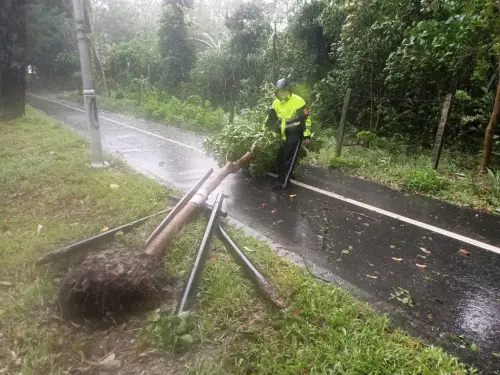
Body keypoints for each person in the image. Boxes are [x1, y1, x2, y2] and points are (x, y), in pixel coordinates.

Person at [264, 78, 311, 189]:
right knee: (280, 157)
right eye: (280, 91)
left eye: (284, 90)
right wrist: (264, 132)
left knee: (289, 158)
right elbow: (270, 119)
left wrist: (307, 135)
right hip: (282, 134)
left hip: (295, 134)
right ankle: (284, 175)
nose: (282, 93)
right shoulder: (276, 103)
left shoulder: (298, 101)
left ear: (289, 90)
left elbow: (307, 120)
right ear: (277, 92)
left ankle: (283, 182)